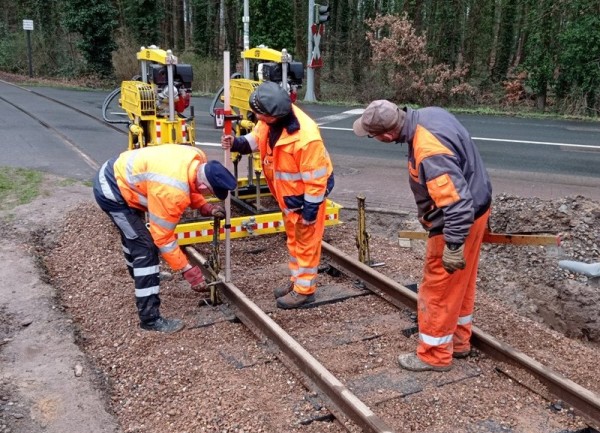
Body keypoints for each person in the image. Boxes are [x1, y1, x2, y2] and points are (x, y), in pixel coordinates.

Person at [353, 100, 492, 372]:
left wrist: (452, 243)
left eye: (373, 136)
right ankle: (460, 342)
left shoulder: (428, 151)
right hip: (476, 210)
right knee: (460, 283)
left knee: (438, 287)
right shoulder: (430, 115)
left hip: (457, 219)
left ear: (387, 135)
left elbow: (455, 203)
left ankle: (434, 354)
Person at [93, 143, 237, 333]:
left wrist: (205, 206)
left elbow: (190, 184)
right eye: (209, 192)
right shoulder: (171, 192)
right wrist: (188, 271)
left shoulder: (196, 157)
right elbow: (163, 239)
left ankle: (141, 275)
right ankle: (150, 319)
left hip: (124, 176)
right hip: (112, 191)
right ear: (204, 184)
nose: (208, 195)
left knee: (134, 236)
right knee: (146, 248)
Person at [221, 81, 335, 309]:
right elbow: (257, 139)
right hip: (289, 197)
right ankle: (296, 281)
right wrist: (237, 143)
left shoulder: (306, 138)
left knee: (306, 243)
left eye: (258, 114)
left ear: (271, 115)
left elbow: (316, 181)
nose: (255, 117)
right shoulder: (271, 120)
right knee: (293, 240)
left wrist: (310, 212)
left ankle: (305, 290)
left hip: (306, 200)